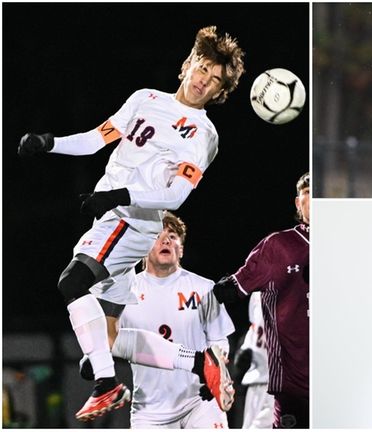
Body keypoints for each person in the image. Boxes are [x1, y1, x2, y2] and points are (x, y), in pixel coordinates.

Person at [17, 26, 245, 421]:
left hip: (131, 221)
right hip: (111, 216)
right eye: (202, 67)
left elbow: (175, 196)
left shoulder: (203, 133)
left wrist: (118, 197)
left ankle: (107, 385)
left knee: (71, 283)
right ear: (186, 65)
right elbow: (96, 138)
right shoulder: (145, 99)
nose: (203, 80)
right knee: (110, 339)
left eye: (214, 80)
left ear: (218, 93)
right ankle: (194, 362)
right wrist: (49, 143)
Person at [213, 173, 310, 428]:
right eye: (308, 193)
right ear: (298, 203)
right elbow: (227, 292)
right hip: (286, 385)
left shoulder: (353, 243)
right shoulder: (278, 247)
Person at [119, 212, 234, 428]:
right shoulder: (124, 293)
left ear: (181, 248)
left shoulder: (204, 288)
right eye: (157, 235)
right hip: (149, 410)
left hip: (200, 402)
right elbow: (109, 338)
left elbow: (219, 341)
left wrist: (219, 374)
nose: (166, 241)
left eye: (172, 236)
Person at [234, 292, 276, 428]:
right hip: (256, 382)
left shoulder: (299, 292)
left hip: (279, 385)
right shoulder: (257, 294)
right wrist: (245, 348)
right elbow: (254, 327)